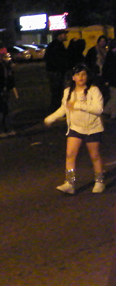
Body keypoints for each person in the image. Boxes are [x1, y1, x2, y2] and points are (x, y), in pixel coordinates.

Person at [44, 64, 105, 194]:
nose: (81, 77)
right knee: (70, 155)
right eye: (77, 74)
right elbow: (64, 108)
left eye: (83, 74)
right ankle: (69, 183)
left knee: (94, 156)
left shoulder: (94, 91)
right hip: (75, 128)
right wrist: (51, 118)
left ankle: (99, 181)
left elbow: (98, 109)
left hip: (92, 128)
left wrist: (78, 105)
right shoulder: (68, 92)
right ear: (73, 77)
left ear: (87, 76)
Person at [0, 47, 18, 137]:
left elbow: (9, 77)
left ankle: (6, 128)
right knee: (1, 110)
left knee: (6, 110)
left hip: (5, 89)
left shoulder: (4, 65)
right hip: (0, 90)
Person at [44, 31, 69, 111]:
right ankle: (56, 108)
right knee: (57, 91)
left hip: (55, 71)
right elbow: (54, 59)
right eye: (64, 34)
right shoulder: (56, 46)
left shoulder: (56, 45)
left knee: (57, 91)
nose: (65, 36)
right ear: (59, 36)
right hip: (56, 72)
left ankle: (56, 107)